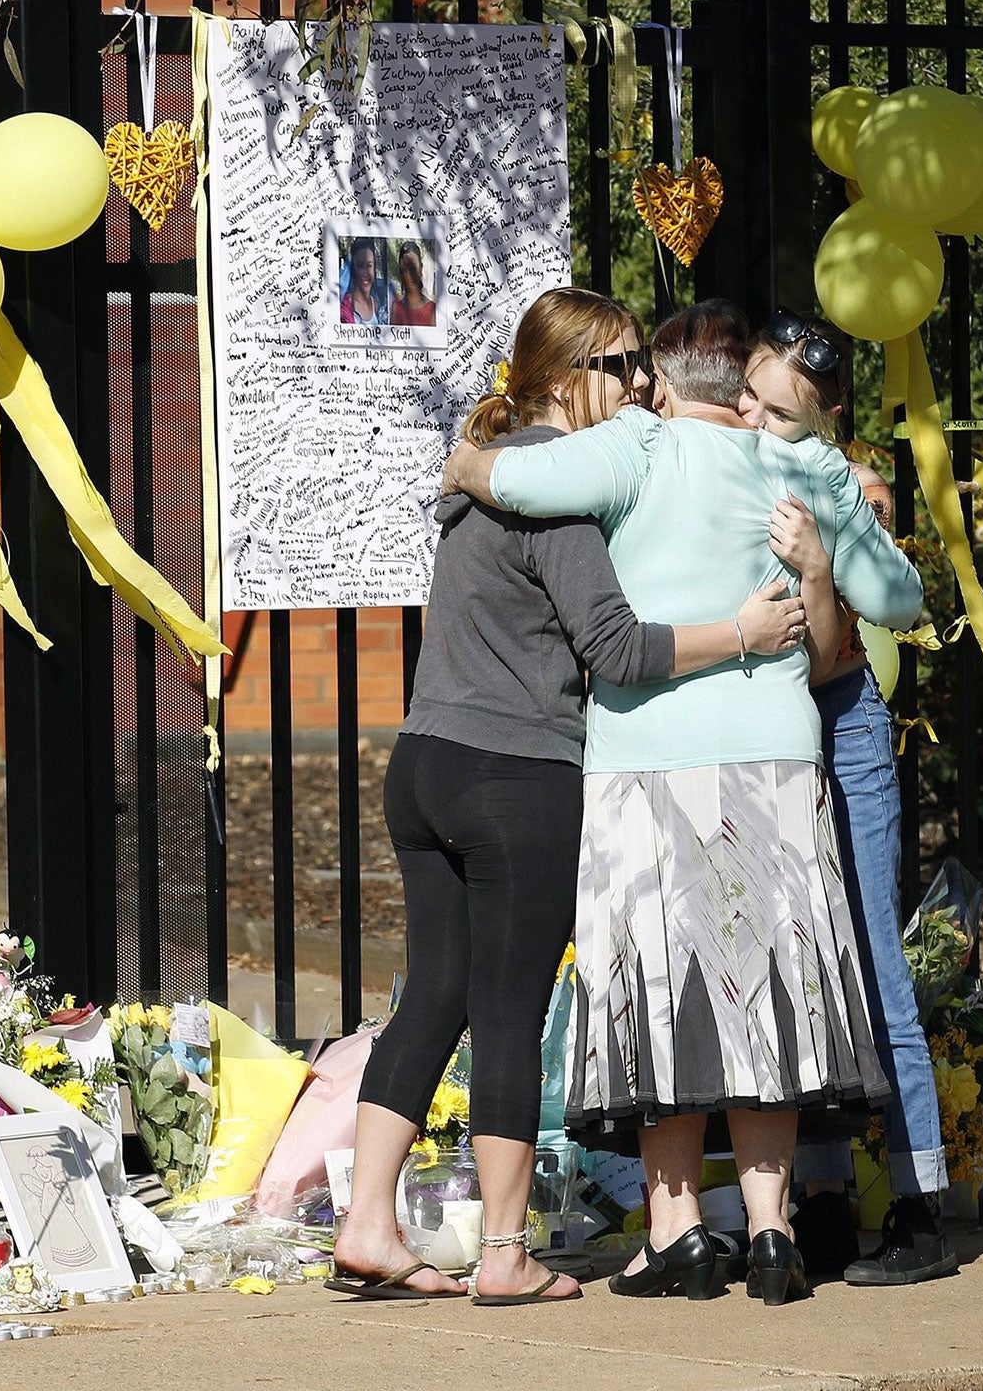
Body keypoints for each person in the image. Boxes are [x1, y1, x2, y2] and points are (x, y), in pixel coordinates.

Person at [329, 287, 809, 1307]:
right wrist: (744, 635)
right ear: (561, 381)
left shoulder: (479, 484)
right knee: (508, 1012)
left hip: (423, 764)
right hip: (514, 778)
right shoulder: (550, 498)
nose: (641, 384)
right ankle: (504, 1252)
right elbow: (619, 649)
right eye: (622, 365)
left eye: (644, 365)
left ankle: (367, 1225)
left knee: (434, 998)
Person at [438, 298, 923, 1307]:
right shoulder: (798, 465)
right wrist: (824, 544)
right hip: (775, 756)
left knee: (660, 993)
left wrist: (462, 463)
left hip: (643, 756)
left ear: (658, 380)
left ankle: (674, 1230)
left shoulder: (635, 446)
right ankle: (774, 1227)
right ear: (740, 380)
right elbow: (900, 600)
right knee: (767, 995)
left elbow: (518, 477)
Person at [741, 309, 957, 1287]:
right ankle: (819, 1203)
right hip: (752, 735)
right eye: (746, 396)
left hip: (839, 725)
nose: (756, 420)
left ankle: (921, 1209)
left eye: (782, 414)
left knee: (872, 963)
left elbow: (903, 602)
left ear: (824, 420)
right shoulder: (710, 459)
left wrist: (831, 515)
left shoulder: (820, 475)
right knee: (790, 967)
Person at [340, 239, 392, 326]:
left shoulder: (378, 305)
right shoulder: (344, 307)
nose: (365, 273)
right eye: (360, 266)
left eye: (369, 266)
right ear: (353, 269)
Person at [390, 241, 438, 327]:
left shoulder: (432, 310)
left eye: (412, 268)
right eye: (404, 269)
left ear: (420, 268)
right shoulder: (396, 308)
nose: (408, 275)